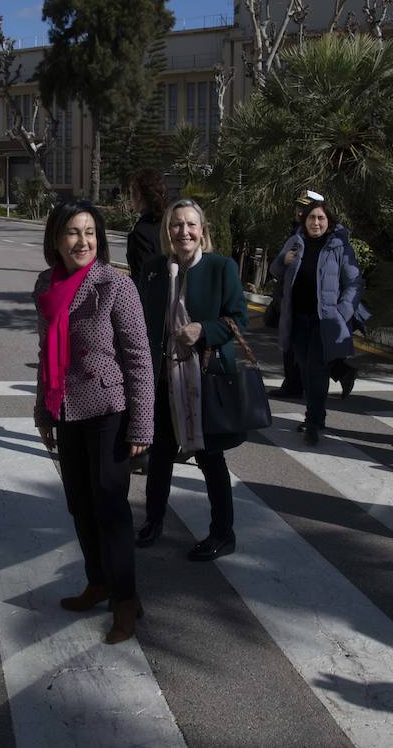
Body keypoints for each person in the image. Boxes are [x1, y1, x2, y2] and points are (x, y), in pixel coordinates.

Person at [33, 200, 154, 644]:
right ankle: (98, 582)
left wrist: (142, 424)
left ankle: (126, 600)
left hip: (108, 409)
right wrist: (43, 409)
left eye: (89, 232)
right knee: (79, 504)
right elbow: (47, 352)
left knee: (110, 506)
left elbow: (139, 359)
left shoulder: (115, 287)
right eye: (72, 232)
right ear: (56, 239)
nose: (82, 241)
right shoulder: (46, 284)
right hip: (66, 408)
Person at [134, 199, 249, 561]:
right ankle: (153, 521)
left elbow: (238, 320)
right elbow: (138, 320)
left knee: (211, 459)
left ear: (203, 231)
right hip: (163, 379)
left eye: (190, 225)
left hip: (205, 380)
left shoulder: (221, 268)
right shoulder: (153, 270)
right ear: (167, 231)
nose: (183, 231)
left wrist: (203, 329)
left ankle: (222, 533)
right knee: (161, 456)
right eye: (176, 225)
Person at [269, 199, 366, 444]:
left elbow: (354, 281)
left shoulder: (338, 246)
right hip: (298, 317)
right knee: (303, 366)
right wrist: (284, 262)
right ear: (304, 220)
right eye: (312, 218)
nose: (316, 222)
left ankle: (313, 421)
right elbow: (275, 270)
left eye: (321, 218)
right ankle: (322, 406)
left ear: (329, 221)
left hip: (325, 320)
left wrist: (342, 312)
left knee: (316, 369)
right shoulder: (295, 242)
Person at [125, 167, 167, 279]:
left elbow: (142, 278)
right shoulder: (170, 224)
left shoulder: (141, 233)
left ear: (137, 195)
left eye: (130, 193)